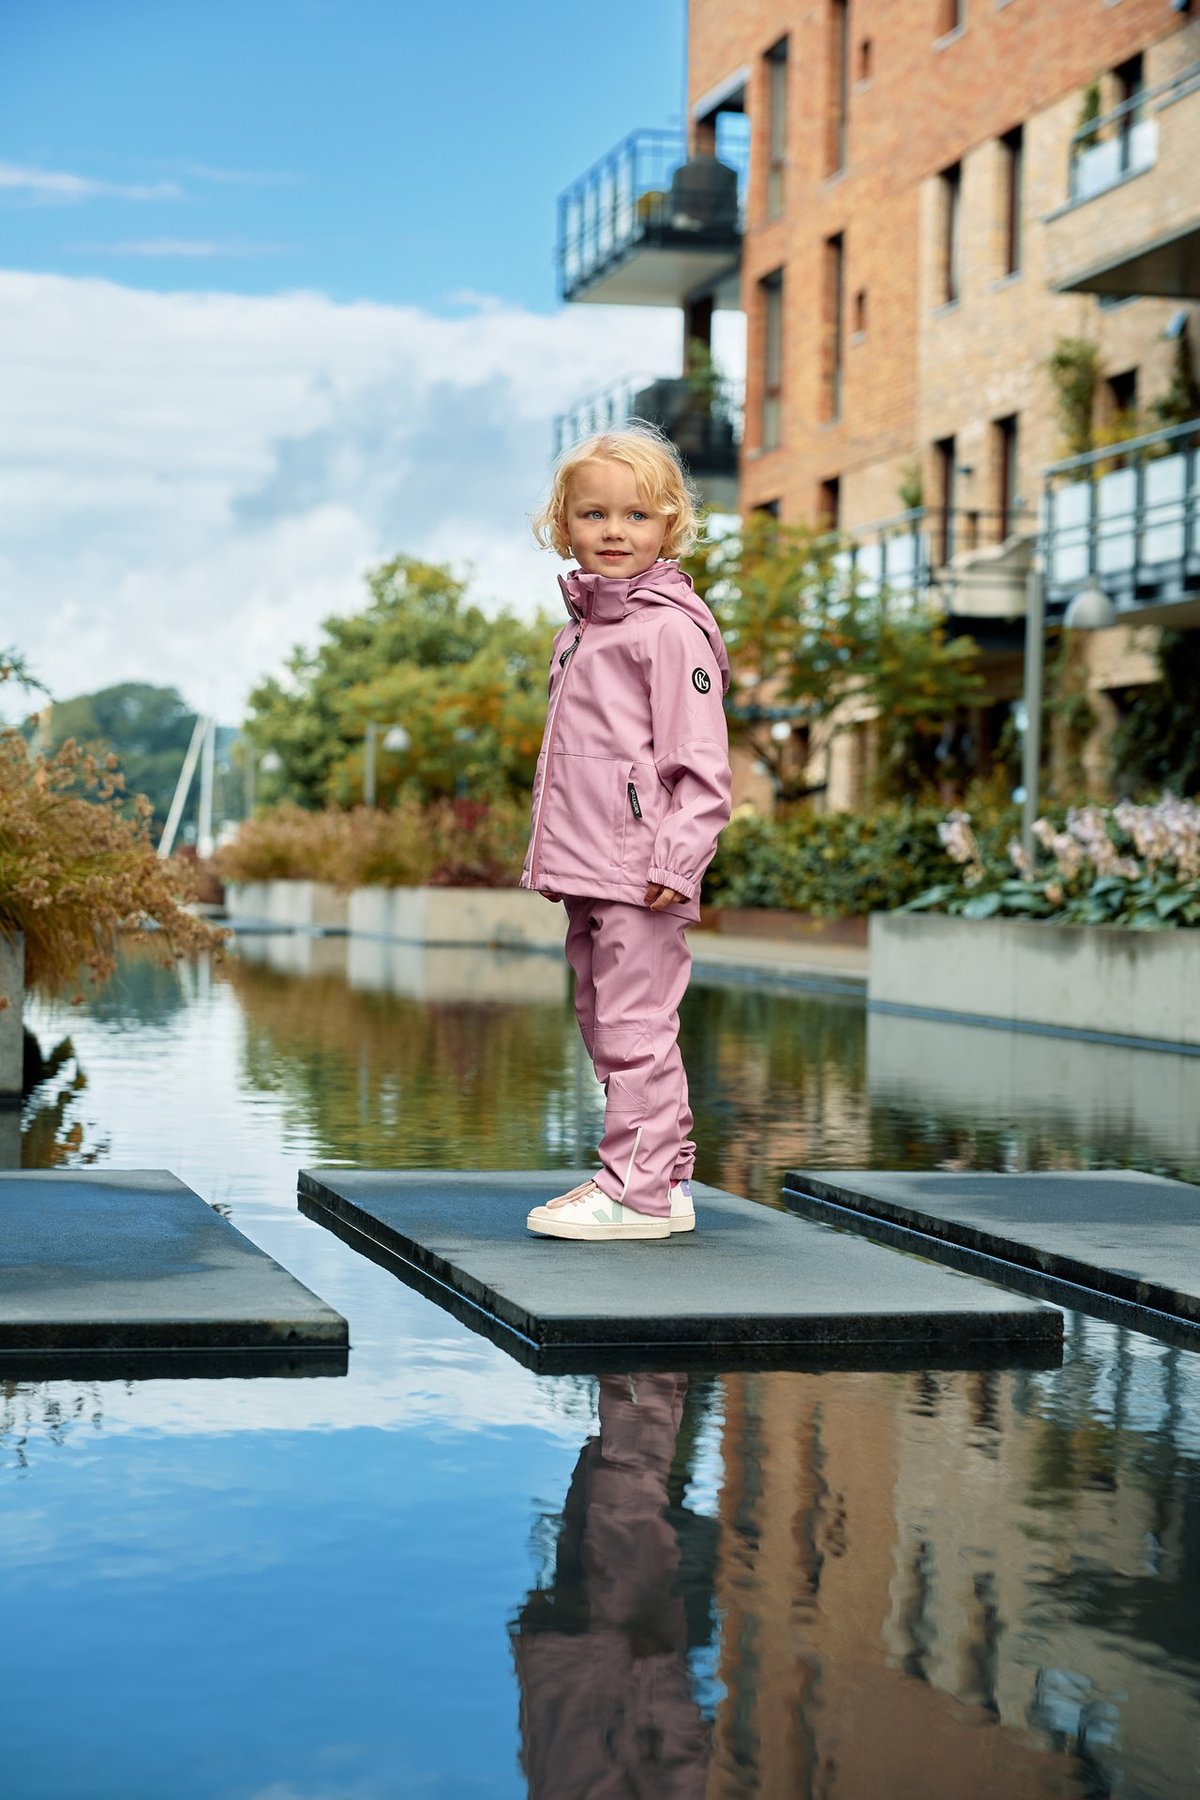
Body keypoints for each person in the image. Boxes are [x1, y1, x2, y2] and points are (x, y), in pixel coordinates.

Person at [520, 423, 732, 1242]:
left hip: (641, 868)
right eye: (595, 515)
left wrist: (676, 860)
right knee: (606, 1018)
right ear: (562, 524)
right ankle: (663, 1177)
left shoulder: (669, 631)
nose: (615, 532)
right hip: (589, 864)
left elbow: (701, 766)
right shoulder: (580, 632)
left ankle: (634, 1194)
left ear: (669, 526)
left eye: (637, 516)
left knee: (636, 1023)